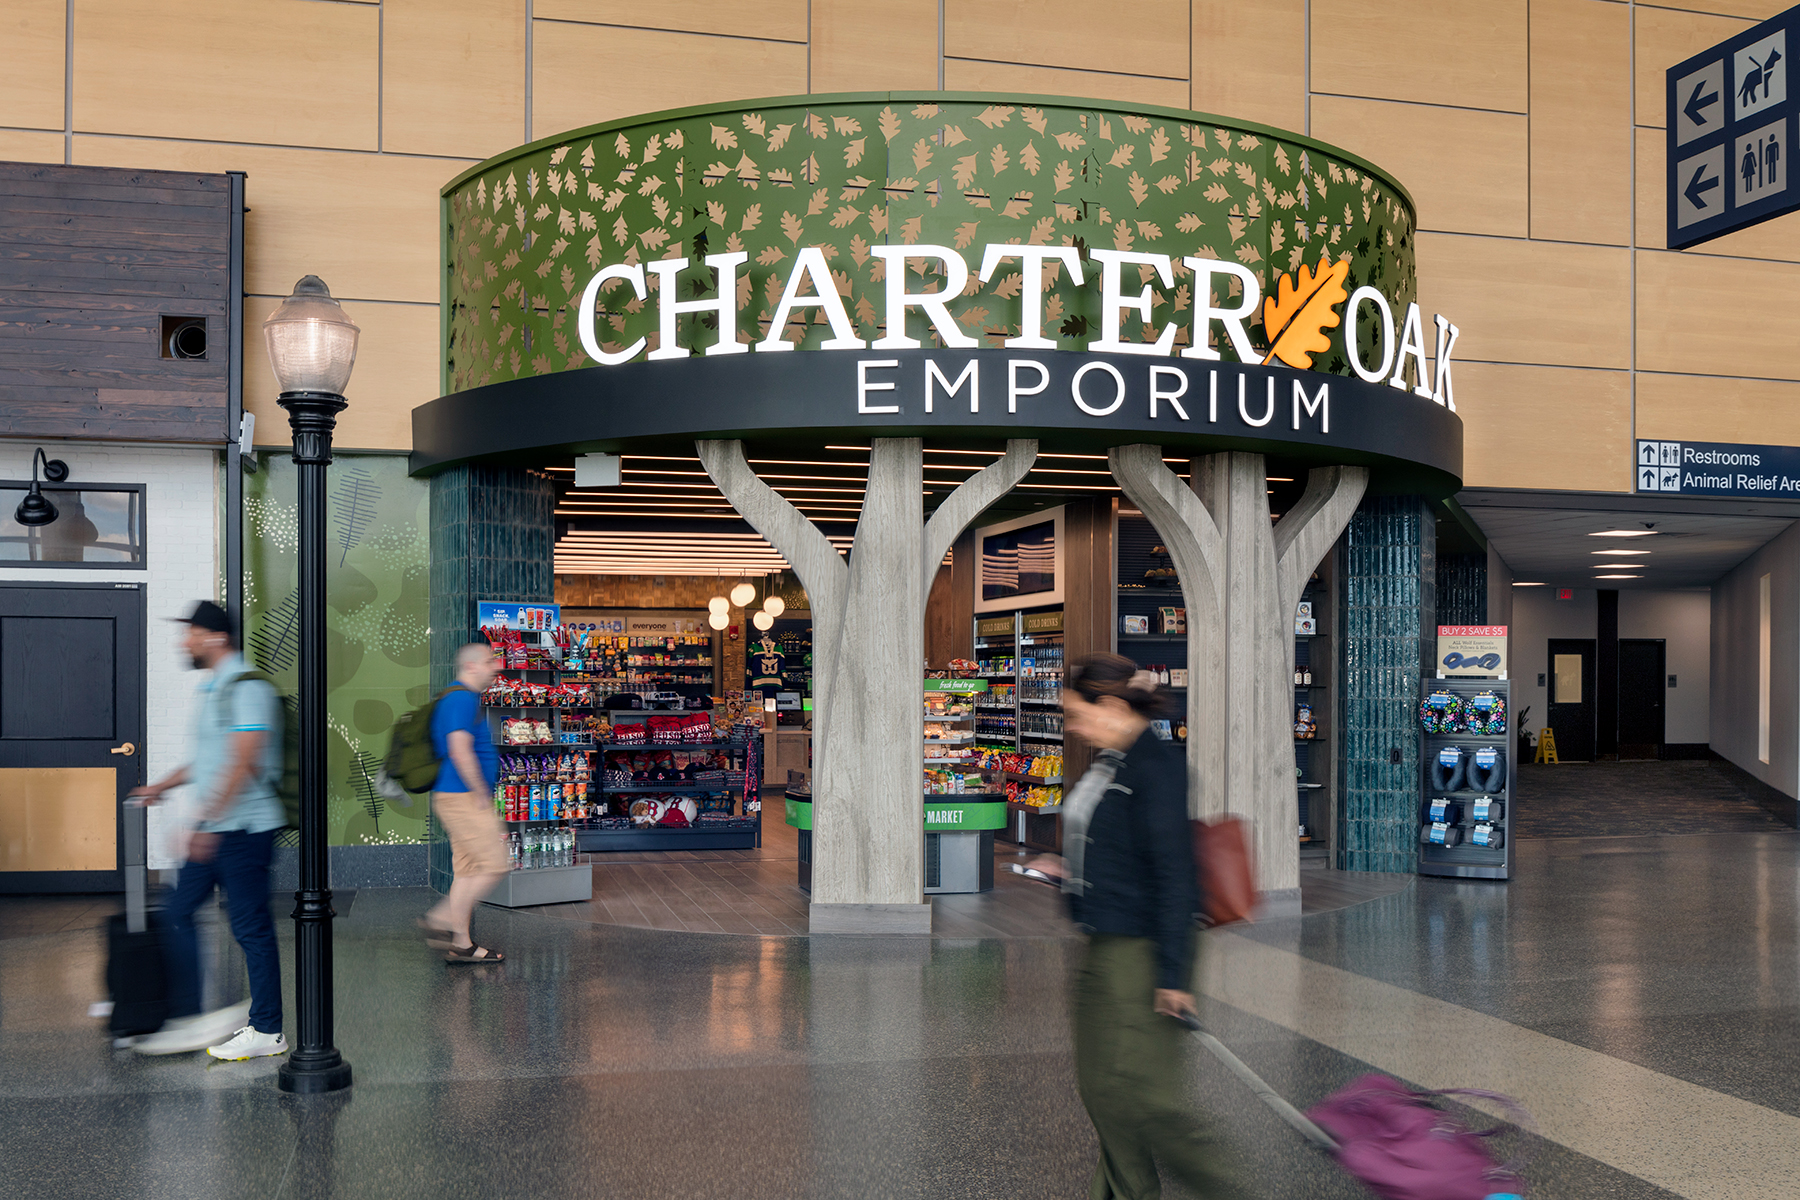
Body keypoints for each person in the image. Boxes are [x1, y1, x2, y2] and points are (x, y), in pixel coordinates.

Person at [1029, 653, 1245, 1200]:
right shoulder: (1110, 762)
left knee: (1147, 1099)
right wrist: (1067, 869)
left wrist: (1173, 976)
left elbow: (1175, 875)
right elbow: (1109, 843)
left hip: (1146, 948)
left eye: (1075, 714)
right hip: (1104, 941)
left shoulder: (1157, 767)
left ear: (1111, 705)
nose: (1071, 727)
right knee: (1101, 1088)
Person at [129, 600, 286, 1060]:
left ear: (216, 638)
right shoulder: (214, 687)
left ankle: (269, 1029)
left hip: (244, 830)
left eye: (192, 633)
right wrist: (161, 785)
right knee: (176, 912)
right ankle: (186, 1014)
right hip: (216, 826)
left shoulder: (245, 687)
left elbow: (245, 760)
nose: (185, 641)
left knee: (250, 928)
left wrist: (208, 824)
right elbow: (209, 761)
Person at [418, 642, 507, 963]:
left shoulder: (463, 698)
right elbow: (458, 749)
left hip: (457, 795)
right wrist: (481, 792)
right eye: (489, 661)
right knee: (496, 864)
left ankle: (461, 944)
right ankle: (440, 919)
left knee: (468, 873)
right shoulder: (460, 698)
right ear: (471, 666)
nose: (495, 667)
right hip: (465, 796)